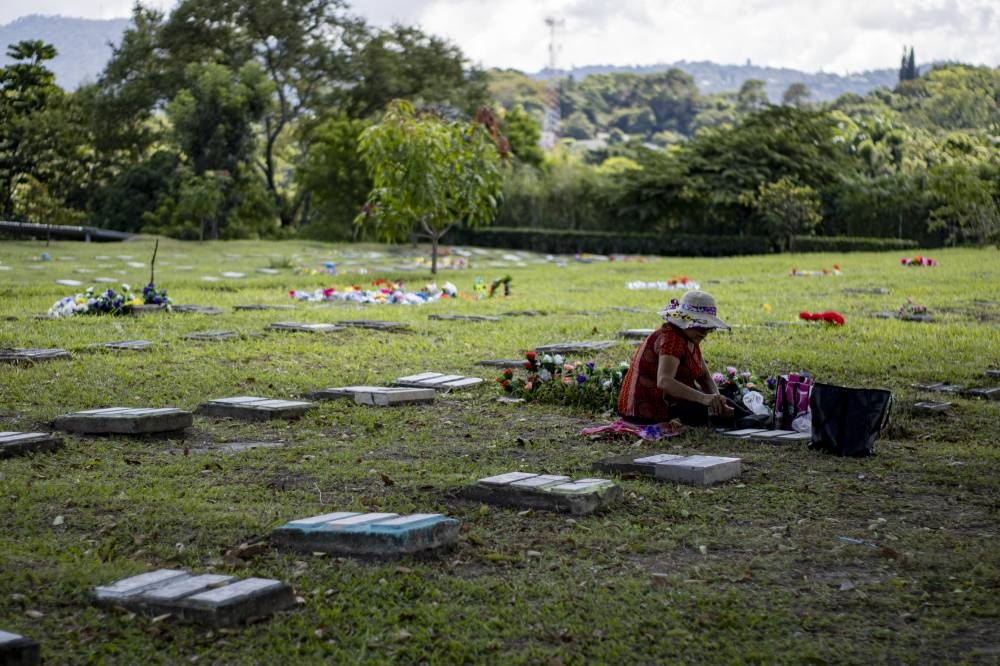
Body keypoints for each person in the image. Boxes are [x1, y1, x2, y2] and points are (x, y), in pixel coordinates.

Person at [618, 290, 748, 427]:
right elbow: (664, 382)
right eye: (700, 326)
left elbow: (703, 376)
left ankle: (757, 421)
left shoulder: (690, 338)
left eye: (708, 328)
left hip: (673, 402)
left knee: (726, 398)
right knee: (716, 415)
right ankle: (758, 422)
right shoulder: (672, 339)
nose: (704, 332)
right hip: (647, 410)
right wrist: (704, 398)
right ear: (685, 321)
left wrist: (718, 399)